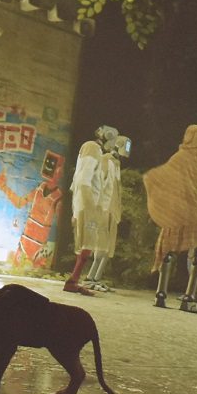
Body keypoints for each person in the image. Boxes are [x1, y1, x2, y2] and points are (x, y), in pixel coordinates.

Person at [143, 124, 197, 312]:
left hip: (177, 209)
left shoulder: (178, 156)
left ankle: (161, 294)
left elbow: (167, 177)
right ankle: (189, 298)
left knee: (169, 249)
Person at [64, 125, 124, 295]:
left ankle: (73, 280)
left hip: (90, 203)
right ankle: (73, 281)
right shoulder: (92, 147)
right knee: (87, 244)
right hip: (88, 204)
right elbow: (84, 179)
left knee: (87, 245)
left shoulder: (96, 150)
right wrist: (90, 205)